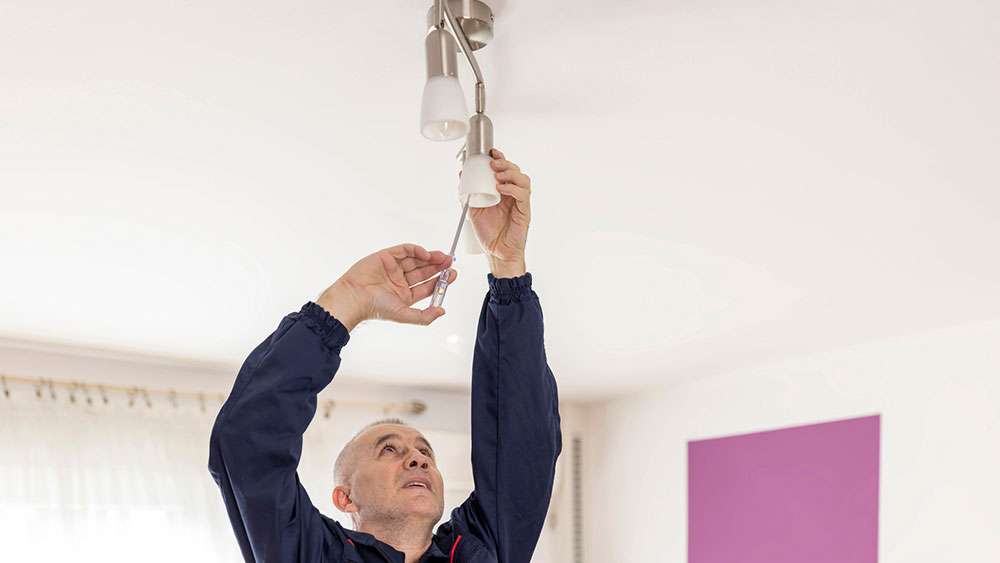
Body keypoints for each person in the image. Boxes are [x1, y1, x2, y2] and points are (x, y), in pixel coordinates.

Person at [208, 148, 562, 563]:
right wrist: (345, 302)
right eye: (389, 450)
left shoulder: (477, 551)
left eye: (424, 452)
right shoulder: (309, 554)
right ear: (345, 497)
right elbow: (249, 443)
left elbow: (522, 444)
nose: (417, 458)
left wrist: (508, 266)